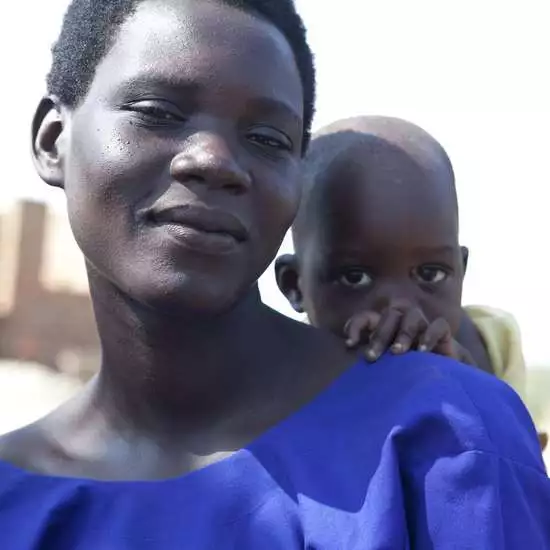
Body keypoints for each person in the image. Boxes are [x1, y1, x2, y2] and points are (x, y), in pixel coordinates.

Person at [0, 3, 548, 548]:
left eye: (267, 139)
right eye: (158, 111)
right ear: (53, 139)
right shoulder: (15, 501)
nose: (212, 159)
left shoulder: (445, 439)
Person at [275, 116, 549, 450]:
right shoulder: (285, 387)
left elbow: (519, 472)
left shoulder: (490, 345)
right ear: (295, 285)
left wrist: (475, 396)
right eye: (355, 278)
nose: (402, 310)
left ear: (460, 270)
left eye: (430, 274)